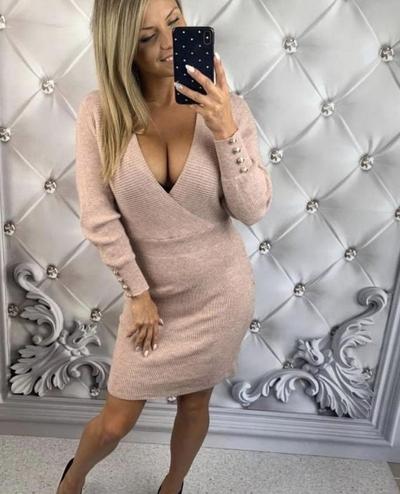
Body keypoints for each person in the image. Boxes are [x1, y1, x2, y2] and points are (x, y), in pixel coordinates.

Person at [57, 0, 272, 492]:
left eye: (174, 23)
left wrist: (224, 129)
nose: (169, 43)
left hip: (220, 293)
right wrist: (138, 294)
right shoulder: (100, 114)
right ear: (122, 49)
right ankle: (72, 480)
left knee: (195, 404)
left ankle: (172, 485)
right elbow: (99, 217)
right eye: (146, 36)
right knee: (115, 421)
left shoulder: (230, 110)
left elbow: (252, 209)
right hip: (148, 299)